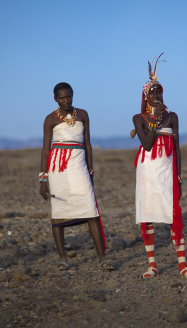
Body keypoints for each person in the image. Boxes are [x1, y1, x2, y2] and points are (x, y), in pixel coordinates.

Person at [131, 54, 187, 279]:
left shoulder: (173, 117)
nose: (157, 95)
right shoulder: (138, 118)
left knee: (173, 213)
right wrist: (154, 119)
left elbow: (177, 147)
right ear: (145, 95)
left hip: (167, 170)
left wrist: (179, 174)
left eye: (159, 91)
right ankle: (152, 265)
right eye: (152, 92)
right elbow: (148, 144)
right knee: (148, 213)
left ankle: (182, 266)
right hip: (147, 169)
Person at [39, 82, 113, 271]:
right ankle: (63, 259)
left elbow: (87, 143)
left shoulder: (82, 114)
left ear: (73, 95)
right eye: (62, 97)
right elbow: (45, 150)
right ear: (55, 99)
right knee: (59, 214)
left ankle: (102, 258)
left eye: (69, 96)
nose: (66, 100)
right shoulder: (50, 119)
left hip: (79, 167)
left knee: (91, 211)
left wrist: (90, 170)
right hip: (58, 170)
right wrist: (43, 179)